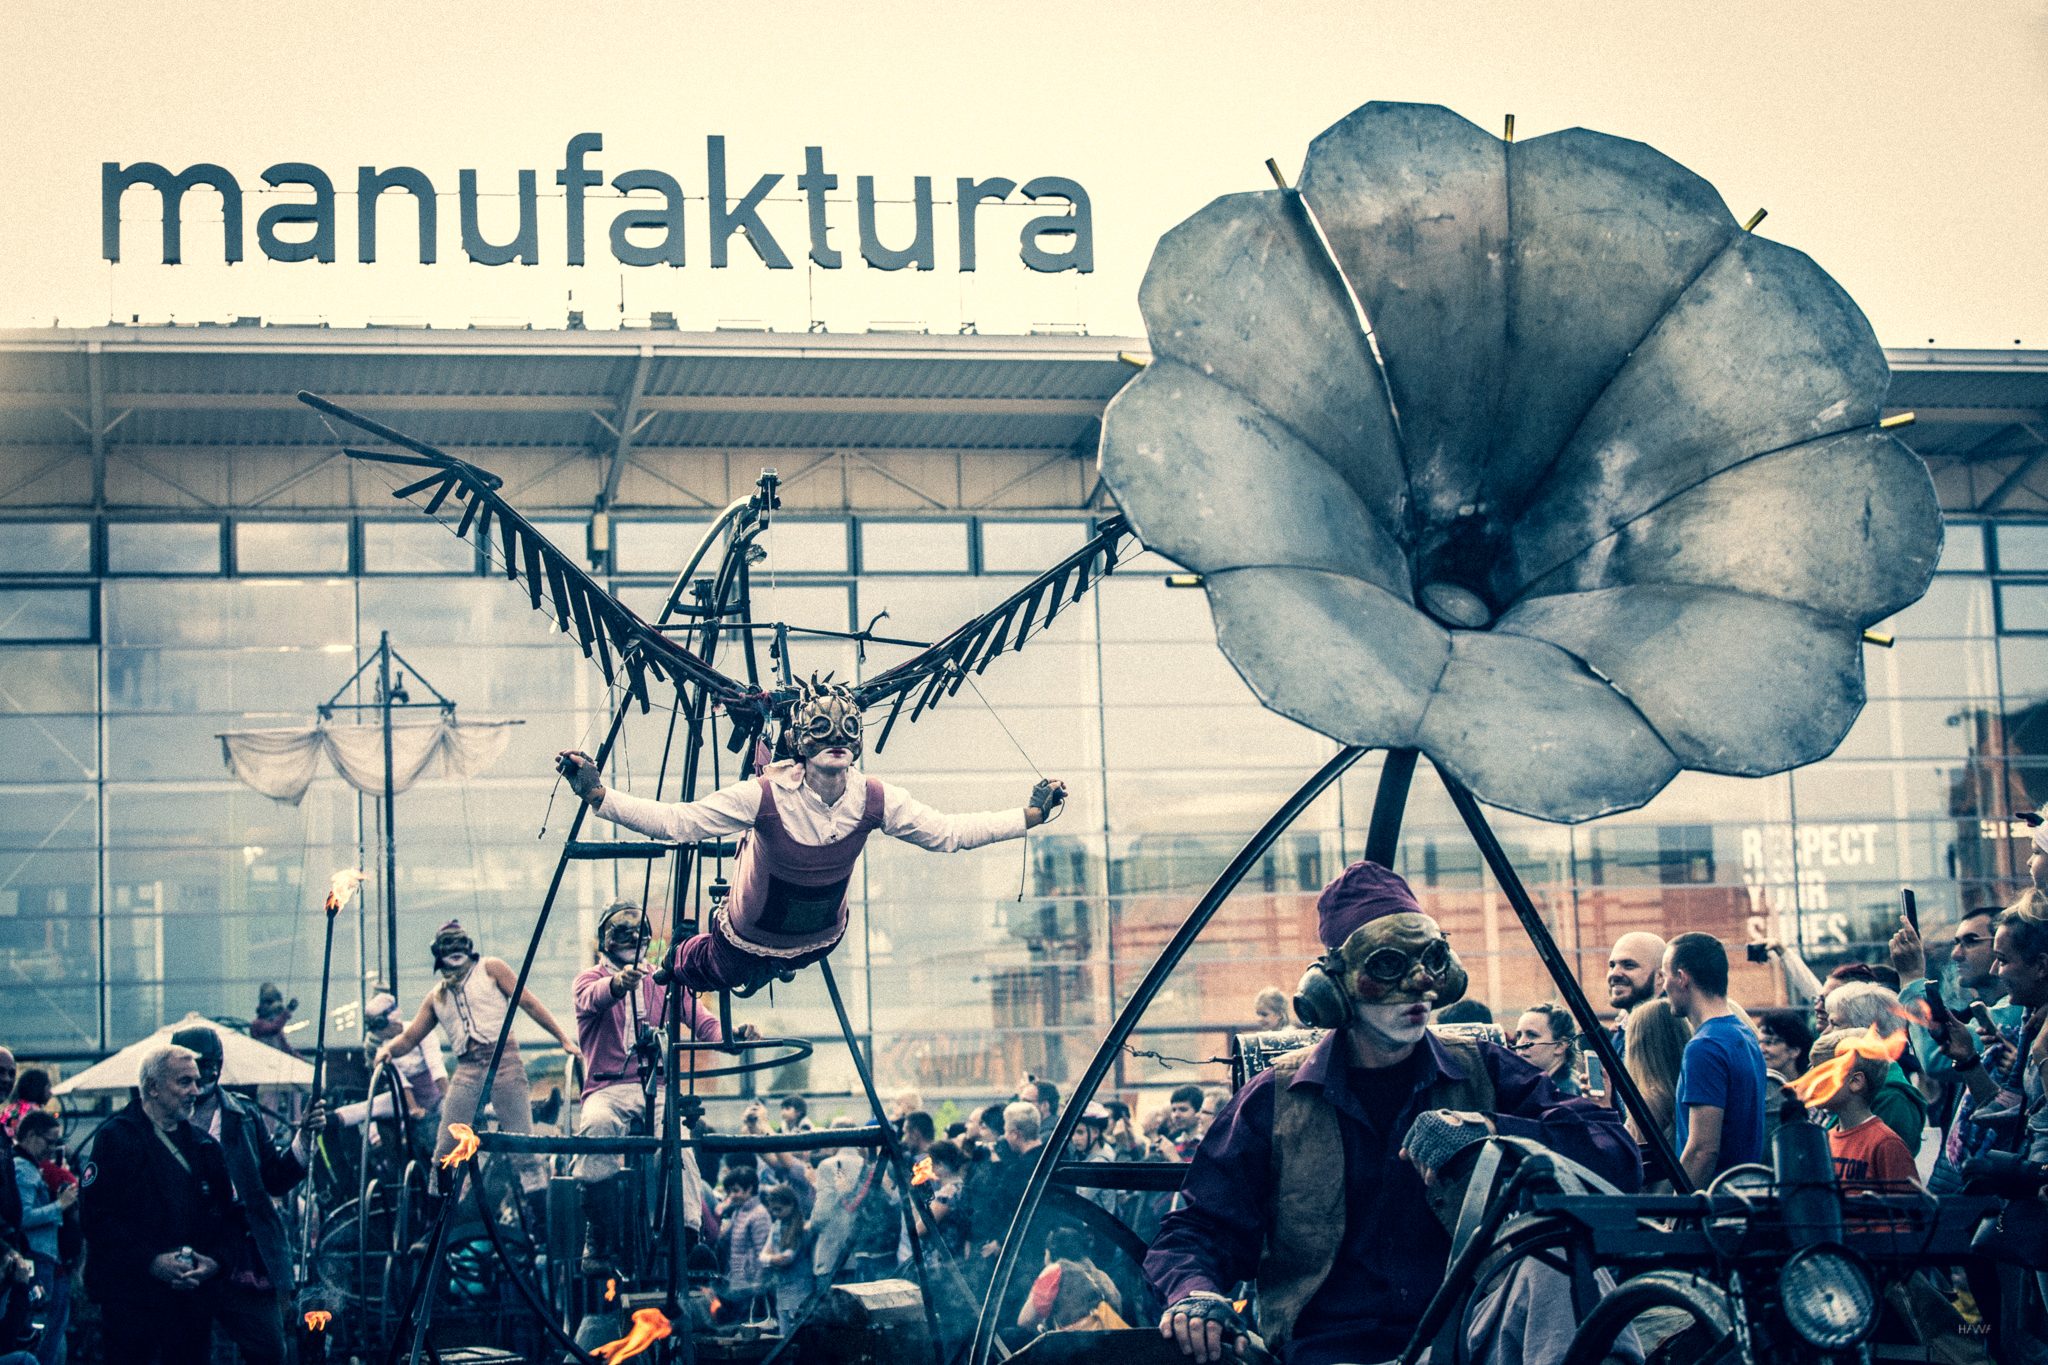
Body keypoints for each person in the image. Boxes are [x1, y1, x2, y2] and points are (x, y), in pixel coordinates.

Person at [1148, 859, 1642, 1365]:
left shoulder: (1485, 1072)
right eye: (1388, 964)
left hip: (1469, 1341)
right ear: (1331, 987)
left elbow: (1616, 1156)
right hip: (1330, 1353)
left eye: (1432, 958)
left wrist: (1496, 1136)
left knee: (1555, 1258)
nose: (1421, 980)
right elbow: (1198, 1229)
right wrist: (1195, 1295)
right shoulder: (1274, 1100)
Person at [557, 676, 1066, 993]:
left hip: (820, 937)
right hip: (746, 937)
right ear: (800, 742)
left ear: (858, 743)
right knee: (714, 967)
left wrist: (1029, 815)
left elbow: (948, 833)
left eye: (847, 731)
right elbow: (678, 822)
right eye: (822, 731)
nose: (836, 740)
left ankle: (766, 968)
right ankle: (673, 965)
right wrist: (599, 795)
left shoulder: (875, 798)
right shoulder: (764, 795)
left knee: (763, 965)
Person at [570, 900, 740, 1279]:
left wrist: (731, 1035)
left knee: (679, 1143)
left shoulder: (663, 979)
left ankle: (686, 1235)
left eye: (639, 931)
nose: (633, 938)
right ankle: (600, 1234)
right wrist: (617, 984)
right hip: (607, 1088)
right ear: (606, 939)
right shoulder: (588, 979)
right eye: (622, 931)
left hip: (657, 1086)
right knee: (597, 1127)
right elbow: (592, 997)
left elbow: (701, 1020)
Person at [372, 919, 581, 1217]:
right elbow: (409, 1038)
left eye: (459, 943)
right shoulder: (436, 997)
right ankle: (437, 1224)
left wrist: (563, 1039)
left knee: (523, 1149)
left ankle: (541, 1222)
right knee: (444, 1152)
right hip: (468, 1070)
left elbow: (529, 1003)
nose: (454, 951)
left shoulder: (491, 968)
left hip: (505, 1062)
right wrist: (387, 1051)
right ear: (437, 954)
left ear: (469, 947)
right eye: (447, 946)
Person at [170, 1025, 325, 1365]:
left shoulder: (244, 1114)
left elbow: (275, 1179)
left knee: (269, 1349)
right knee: (186, 1351)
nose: (205, 1073)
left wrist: (304, 1138)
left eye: (212, 1064)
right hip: (182, 1250)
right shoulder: (161, 1120)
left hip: (243, 1249)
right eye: (197, 1065)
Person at [79, 1045, 237, 1365]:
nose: (196, 1091)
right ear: (152, 1086)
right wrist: (150, 1261)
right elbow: (96, 1218)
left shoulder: (205, 1147)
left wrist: (216, 1262)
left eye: (197, 1081)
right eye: (184, 1082)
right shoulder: (115, 1138)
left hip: (191, 1301)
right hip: (131, 1301)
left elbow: (231, 1218)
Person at [1662, 933, 1768, 1185]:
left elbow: (1702, 1151)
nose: (1663, 986)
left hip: (1713, 1202)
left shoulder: (1705, 1047)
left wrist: (1679, 1207)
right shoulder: (1744, 1034)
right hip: (1741, 1194)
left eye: (1665, 975)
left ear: (1682, 978)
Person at [1820, 982, 1928, 1157]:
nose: (1825, 1033)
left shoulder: (1892, 1099)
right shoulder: (1864, 1086)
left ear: (1869, 1031)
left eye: (1835, 1024)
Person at [1808, 1030, 1920, 1198]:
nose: (1810, 1080)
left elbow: (1909, 1209)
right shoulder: (1825, 1140)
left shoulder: (1886, 1144)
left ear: (1855, 1081)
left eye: (1822, 1073)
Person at [12, 1111, 72, 1365]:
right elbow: (23, 1217)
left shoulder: (29, 1167)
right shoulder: (23, 1169)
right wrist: (60, 1205)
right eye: (49, 1141)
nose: (52, 1149)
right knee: (43, 1327)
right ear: (30, 1136)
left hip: (45, 1257)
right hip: (37, 1257)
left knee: (50, 1325)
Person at [364, 989, 442, 1159]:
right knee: (368, 1110)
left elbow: (436, 1067)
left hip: (435, 1096)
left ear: (384, 1022)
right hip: (409, 1101)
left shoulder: (418, 1031)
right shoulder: (383, 1050)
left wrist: (448, 1099)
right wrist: (414, 1109)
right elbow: (400, 1081)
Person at [1018, 1226, 1126, 1335]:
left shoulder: (1055, 1270)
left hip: (1079, 1343)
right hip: (1114, 1342)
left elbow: (1026, 1320)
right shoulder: (1103, 1277)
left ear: (1049, 1253)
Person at [1621, 999, 1690, 1160]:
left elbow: (1633, 1165)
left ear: (1637, 1045)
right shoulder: (1686, 1090)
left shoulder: (1649, 1101)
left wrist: (1603, 1108)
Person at [759, 1182, 815, 1338]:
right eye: (772, 1209)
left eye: (779, 1209)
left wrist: (770, 1259)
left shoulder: (800, 1228)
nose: (775, 1213)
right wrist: (772, 1259)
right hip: (782, 1288)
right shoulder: (776, 1226)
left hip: (800, 1288)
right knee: (784, 1333)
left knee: (798, 1331)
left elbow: (787, 1258)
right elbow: (762, 1256)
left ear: (791, 1205)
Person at [717, 1166, 771, 1324]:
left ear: (750, 1189)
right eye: (730, 1191)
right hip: (738, 1283)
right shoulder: (739, 1211)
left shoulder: (759, 1214)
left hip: (751, 1286)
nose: (732, 1195)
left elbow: (762, 1253)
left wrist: (758, 1287)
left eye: (736, 1190)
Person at [1604, 932, 1667, 1057]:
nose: (1614, 973)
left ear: (1660, 976)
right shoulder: (1622, 1031)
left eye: (1629, 966)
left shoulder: (1668, 1031)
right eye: (1612, 965)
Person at [1511, 1004, 1582, 1096]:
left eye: (1532, 1035)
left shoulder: (1565, 1095)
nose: (1520, 1044)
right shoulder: (1543, 1086)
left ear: (1559, 1045)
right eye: (1519, 1035)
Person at [1755, 1008, 1814, 1084]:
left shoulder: (1812, 1086)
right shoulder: (1757, 1085)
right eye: (1758, 1043)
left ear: (1794, 1050)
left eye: (1768, 1042)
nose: (1761, 1050)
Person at [248, 983, 299, 1057]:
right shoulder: (257, 1025)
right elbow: (273, 1028)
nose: (277, 1016)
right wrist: (287, 1010)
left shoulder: (277, 1032)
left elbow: (287, 1050)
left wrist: (305, 1061)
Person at [0, 1071, 51, 1141]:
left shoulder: (9, 1109)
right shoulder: (36, 1113)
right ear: (39, 1088)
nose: (50, 1092)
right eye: (49, 1088)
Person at [1163, 1085, 1205, 1159]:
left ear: (1198, 1112)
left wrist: (1174, 1158)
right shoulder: (1175, 1144)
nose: (1176, 1115)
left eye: (1183, 1109)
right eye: (1174, 1110)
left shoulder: (1208, 1144)